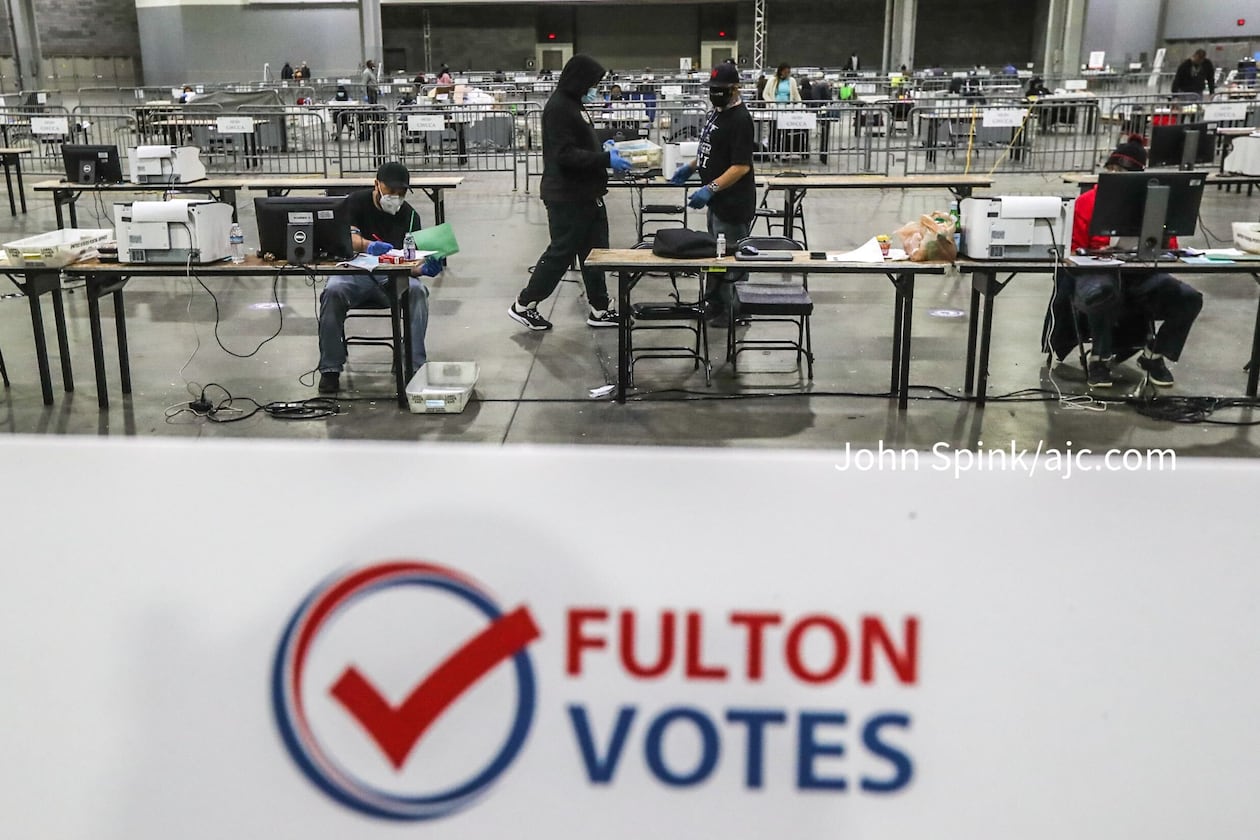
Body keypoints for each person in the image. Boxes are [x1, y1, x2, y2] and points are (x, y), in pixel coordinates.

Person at [1042, 136, 1202, 388]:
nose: (1114, 176)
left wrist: (1153, 245)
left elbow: (1171, 248)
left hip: (1141, 276)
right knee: (1103, 291)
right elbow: (1071, 250)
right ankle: (1099, 358)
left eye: (1122, 172)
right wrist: (1095, 252)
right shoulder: (1087, 202)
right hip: (1095, 274)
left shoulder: (1155, 205)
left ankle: (1155, 355)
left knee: (1189, 298)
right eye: (1111, 170)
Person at [508, 54, 632, 332]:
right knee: (561, 253)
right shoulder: (559, 108)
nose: (596, 89)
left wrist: (603, 144)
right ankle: (524, 304)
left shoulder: (574, 104)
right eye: (593, 84)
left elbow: (581, 139)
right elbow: (564, 154)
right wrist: (605, 160)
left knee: (596, 252)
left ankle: (600, 308)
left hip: (587, 193)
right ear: (580, 80)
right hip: (567, 196)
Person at [316, 162, 443, 394]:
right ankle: (330, 368)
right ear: (376, 184)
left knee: (417, 291)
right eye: (390, 190)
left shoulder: (409, 215)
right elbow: (347, 238)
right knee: (333, 291)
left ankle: (414, 365)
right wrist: (368, 245)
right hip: (355, 274)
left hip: (392, 279)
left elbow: (411, 260)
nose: (395, 197)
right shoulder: (354, 203)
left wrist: (423, 268)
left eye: (401, 192)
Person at [669, 63, 756, 323]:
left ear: (735, 88)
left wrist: (710, 187)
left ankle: (734, 311)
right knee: (714, 257)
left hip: (732, 203)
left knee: (729, 259)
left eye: (721, 89)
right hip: (717, 203)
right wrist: (690, 167)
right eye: (713, 89)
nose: (715, 93)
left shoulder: (741, 120)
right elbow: (710, 150)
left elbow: (741, 166)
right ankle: (715, 303)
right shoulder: (716, 113)